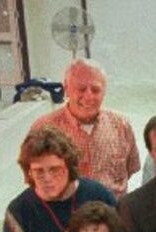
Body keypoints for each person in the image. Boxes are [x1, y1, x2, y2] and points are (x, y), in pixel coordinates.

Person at [31, 58, 139, 198]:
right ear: (66, 89)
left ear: (104, 91)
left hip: (112, 215)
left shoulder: (121, 125)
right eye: (81, 89)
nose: (88, 96)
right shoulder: (43, 129)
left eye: (95, 90)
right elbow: (34, 178)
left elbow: (130, 169)